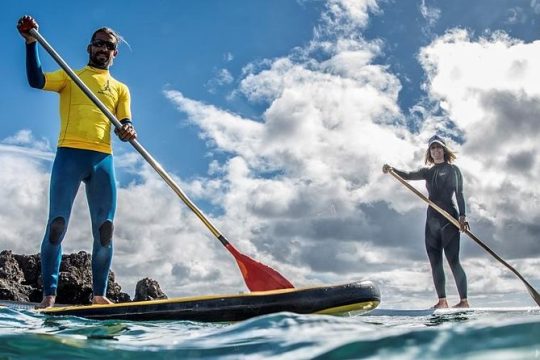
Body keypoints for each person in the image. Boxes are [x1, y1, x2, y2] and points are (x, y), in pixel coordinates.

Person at [17, 16, 137, 308]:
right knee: (57, 225)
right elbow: (37, 80)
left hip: (102, 159)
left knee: (105, 229)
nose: (103, 49)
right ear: (89, 47)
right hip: (69, 156)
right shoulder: (72, 76)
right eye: (99, 43)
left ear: (114, 53)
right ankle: (49, 297)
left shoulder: (121, 89)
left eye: (109, 46)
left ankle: (99, 295)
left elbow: (125, 123)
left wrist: (128, 129)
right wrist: (31, 43)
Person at [383, 135, 470, 309]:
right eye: (433, 148)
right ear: (430, 152)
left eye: (439, 148)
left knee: (453, 260)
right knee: (435, 261)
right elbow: (408, 175)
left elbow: (459, 194)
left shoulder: (453, 170)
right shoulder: (427, 172)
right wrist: (392, 169)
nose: (436, 151)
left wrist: (462, 216)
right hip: (432, 220)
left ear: (444, 150)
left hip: (449, 218)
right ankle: (442, 301)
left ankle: (464, 301)